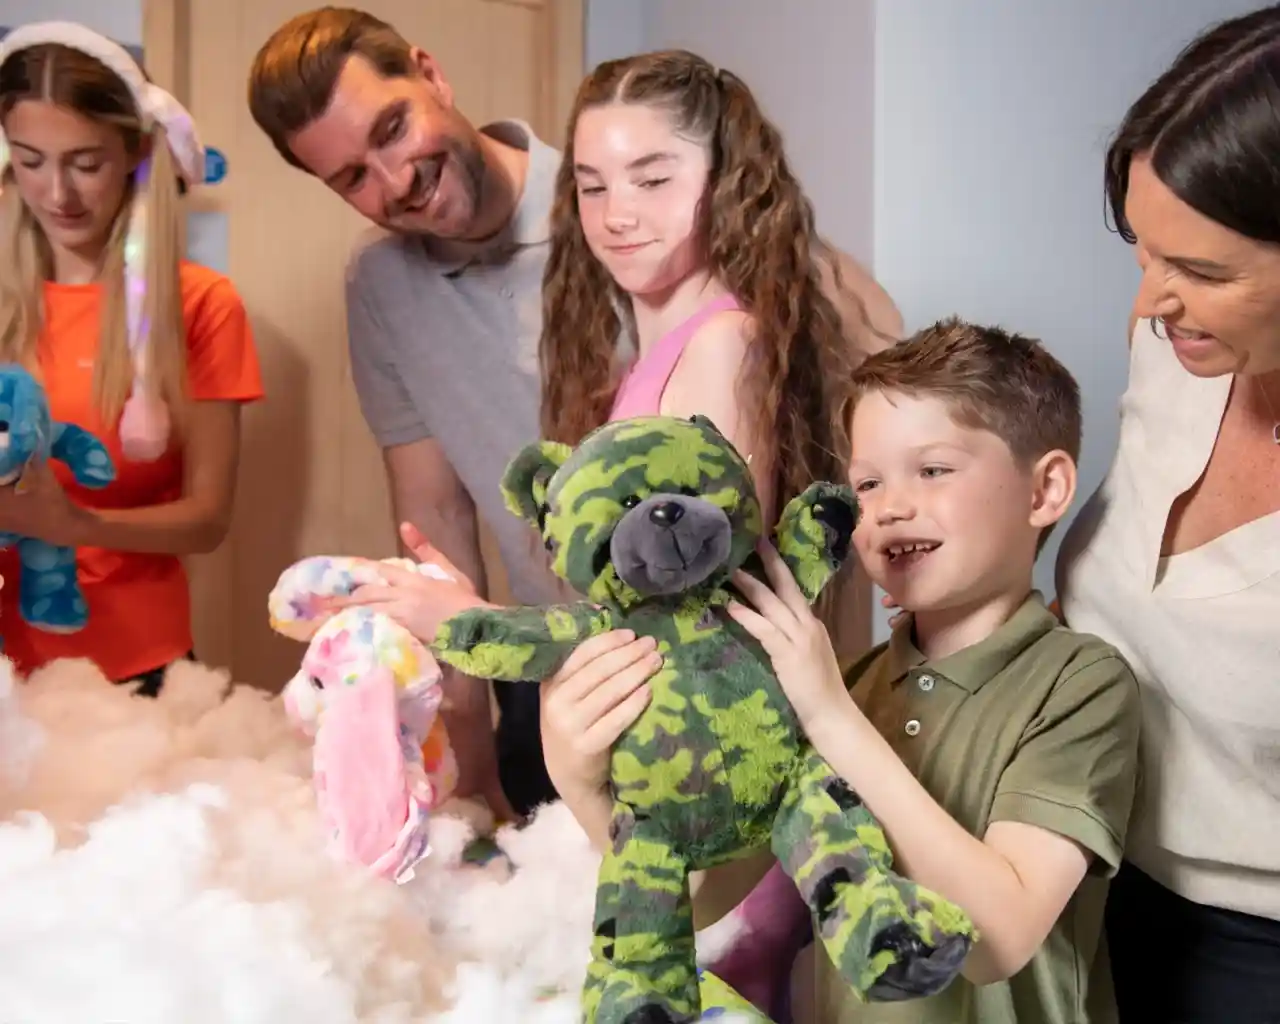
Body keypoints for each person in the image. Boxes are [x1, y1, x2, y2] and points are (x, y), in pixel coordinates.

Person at [245, 7, 902, 822]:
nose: (392, 180)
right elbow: (433, 511)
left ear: (430, 74)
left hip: (698, 690)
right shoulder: (383, 284)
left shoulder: (647, 227)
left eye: (392, 128)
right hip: (554, 669)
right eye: (351, 178)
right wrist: (473, 763)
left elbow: (871, 362)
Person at [547, 318, 1142, 1023]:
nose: (888, 507)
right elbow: (703, 898)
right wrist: (582, 784)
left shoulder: (1082, 685)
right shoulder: (849, 681)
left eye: (934, 469)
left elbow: (999, 942)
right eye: (865, 483)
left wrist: (831, 716)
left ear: (1044, 490)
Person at [1054, 6, 1280, 1021]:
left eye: (1197, 271)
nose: (1150, 300)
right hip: (1091, 873)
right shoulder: (1179, 350)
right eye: (1140, 251)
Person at [0, 22, 262, 695]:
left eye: (85, 163)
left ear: (136, 155)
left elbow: (207, 519)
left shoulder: (200, 306)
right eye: (31, 161)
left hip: (135, 675)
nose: (58, 193)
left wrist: (71, 524)